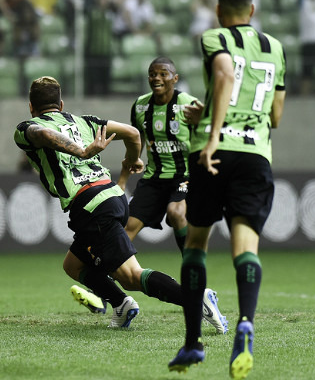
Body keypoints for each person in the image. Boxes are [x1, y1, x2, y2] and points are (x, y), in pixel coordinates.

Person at [167, 0, 286, 378]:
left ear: (220, 11)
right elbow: (275, 118)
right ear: (251, 12)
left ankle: (192, 343)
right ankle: (246, 323)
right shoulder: (275, 48)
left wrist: (213, 131)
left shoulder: (214, 37)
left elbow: (223, 75)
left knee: (196, 242)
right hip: (256, 156)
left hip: (213, 153)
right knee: (245, 246)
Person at [14, 76, 186, 329]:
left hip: (90, 205)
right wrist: (131, 159)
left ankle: (195, 298)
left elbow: (41, 133)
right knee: (73, 264)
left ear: (31, 106)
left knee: (130, 276)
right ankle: (121, 304)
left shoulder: (25, 128)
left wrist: (82, 152)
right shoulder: (84, 123)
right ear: (61, 104)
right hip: (112, 195)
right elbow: (133, 133)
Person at [118, 56, 228, 334]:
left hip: (185, 176)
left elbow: (214, 131)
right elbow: (137, 138)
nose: (156, 78)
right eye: (152, 74)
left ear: (174, 78)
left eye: (162, 74)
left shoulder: (188, 105)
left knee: (177, 213)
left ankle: (193, 279)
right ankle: (116, 296)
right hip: (154, 179)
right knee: (123, 231)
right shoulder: (141, 106)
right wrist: (136, 159)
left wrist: (206, 125)